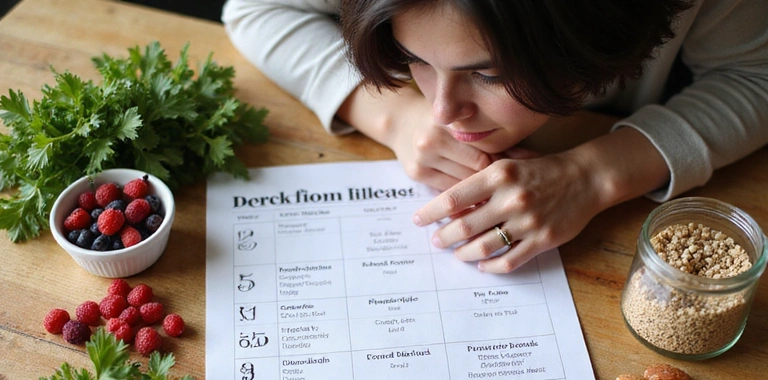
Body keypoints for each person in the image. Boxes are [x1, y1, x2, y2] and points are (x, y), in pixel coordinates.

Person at [222, 0, 768, 273]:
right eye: (415, 60)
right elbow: (252, 8)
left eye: (488, 73)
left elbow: (758, 75)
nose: (443, 110)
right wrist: (393, 116)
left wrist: (598, 173)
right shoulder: (425, 106)